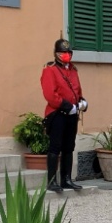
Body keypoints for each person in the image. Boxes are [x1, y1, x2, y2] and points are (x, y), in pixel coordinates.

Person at [40, 38, 88, 194]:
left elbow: (77, 91)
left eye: (68, 52)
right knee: (55, 147)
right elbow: (50, 95)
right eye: (62, 52)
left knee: (69, 147)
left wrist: (82, 102)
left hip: (72, 114)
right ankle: (52, 181)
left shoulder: (73, 70)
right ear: (56, 54)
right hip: (58, 114)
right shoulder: (50, 70)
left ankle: (66, 179)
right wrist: (68, 107)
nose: (66, 55)